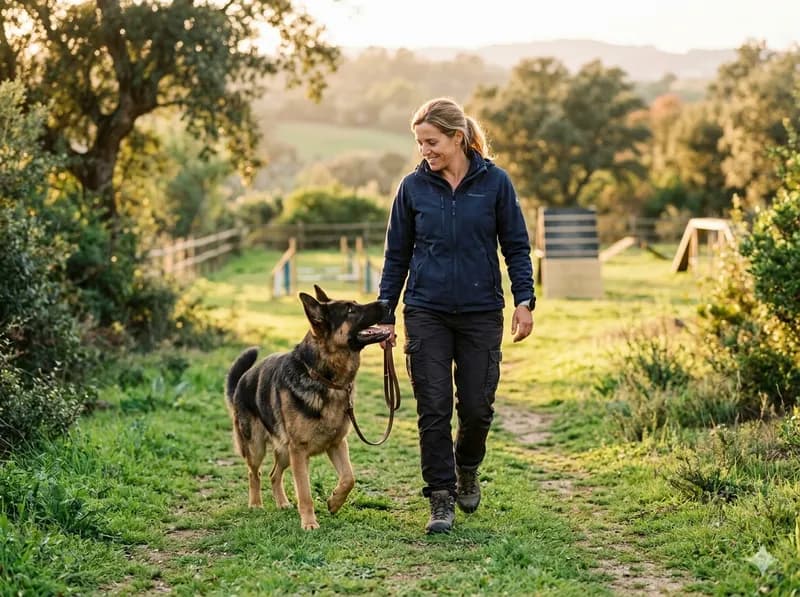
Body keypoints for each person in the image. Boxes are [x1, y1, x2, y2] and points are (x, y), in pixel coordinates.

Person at [378, 97, 535, 534]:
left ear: (458, 138)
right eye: (420, 142)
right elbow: (396, 256)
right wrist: (386, 313)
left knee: (478, 407)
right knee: (433, 408)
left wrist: (524, 299)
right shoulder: (412, 189)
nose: (425, 150)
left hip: (482, 311)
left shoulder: (496, 184)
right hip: (426, 310)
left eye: (432, 141)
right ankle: (441, 497)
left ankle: (467, 466)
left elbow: (516, 246)